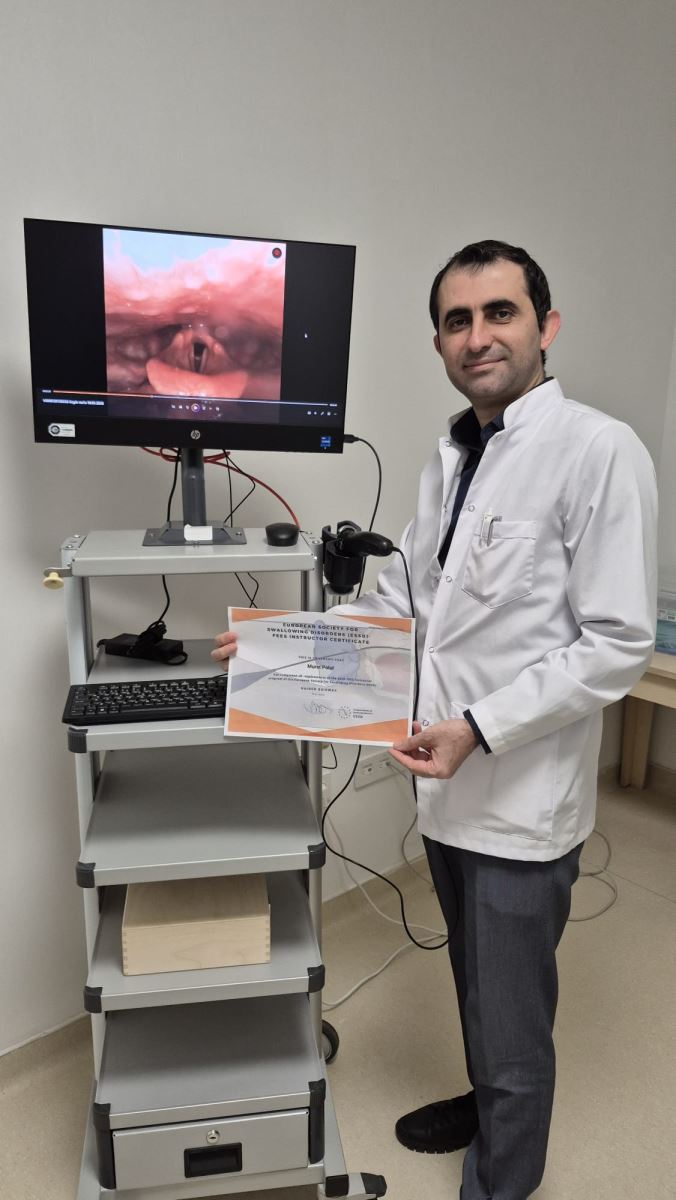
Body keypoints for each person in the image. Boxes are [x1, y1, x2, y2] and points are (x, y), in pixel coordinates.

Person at [212, 240, 658, 1199]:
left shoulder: (598, 451)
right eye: (458, 321)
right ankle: (489, 1100)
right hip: (444, 789)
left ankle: (503, 1176)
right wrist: (277, 651)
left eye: (501, 312)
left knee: (513, 1011)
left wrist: (479, 728)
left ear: (545, 325)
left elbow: (618, 643)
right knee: (476, 982)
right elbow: (400, 602)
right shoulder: (451, 456)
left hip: (517, 795)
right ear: (439, 343)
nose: (478, 336)